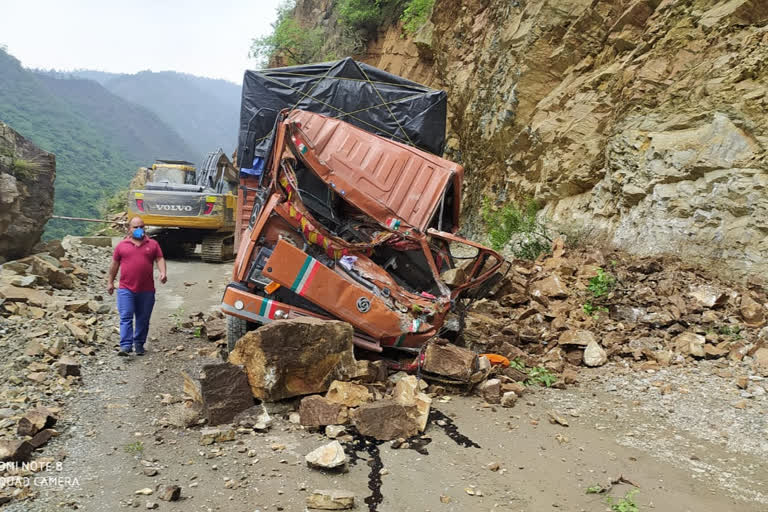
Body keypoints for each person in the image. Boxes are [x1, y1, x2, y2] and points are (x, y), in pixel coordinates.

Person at [107, 217, 167, 356]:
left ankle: (139, 343)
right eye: (135, 227)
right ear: (129, 229)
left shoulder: (152, 244)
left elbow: (159, 258)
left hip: (146, 290)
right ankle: (126, 345)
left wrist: (163, 272)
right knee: (126, 316)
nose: (139, 229)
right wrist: (110, 282)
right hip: (125, 289)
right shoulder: (122, 246)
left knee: (143, 318)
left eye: (141, 226)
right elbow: (114, 265)